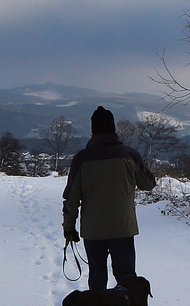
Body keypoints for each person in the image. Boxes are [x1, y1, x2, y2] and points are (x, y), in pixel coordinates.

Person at [62, 106, 157, 290]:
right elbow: (148, 184)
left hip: (93, 230)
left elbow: (71, 198)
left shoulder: (81, 158)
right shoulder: (130, 154)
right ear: (114, 129)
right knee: (127, 277)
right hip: (123, 227)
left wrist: (69, 228)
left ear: (92, 131)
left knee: (97, 278)